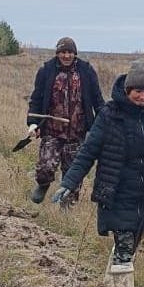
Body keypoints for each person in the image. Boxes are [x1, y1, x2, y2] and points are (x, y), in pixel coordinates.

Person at [52, 58, 144, 271]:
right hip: (116, 192)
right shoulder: (110, 115)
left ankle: (111, 284)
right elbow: (87, 152)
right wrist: (69, 182)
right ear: (128, 89)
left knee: (129, 249)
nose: (142, 96)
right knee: (124, 249)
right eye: (138, 91)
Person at [26, 37, 105, 205]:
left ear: (75, 54)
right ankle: (43, 184)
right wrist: (33, 122)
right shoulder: (46, 71)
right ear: (57, 53)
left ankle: (66, 211)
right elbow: (36, 99)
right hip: (51, 131)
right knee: (45, 168)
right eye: (63, 52)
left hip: (78, 133)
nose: (66, 56)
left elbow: (98, 100)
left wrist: (104, 124)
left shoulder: (86, 71)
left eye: (70, 52)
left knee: (73, 177)